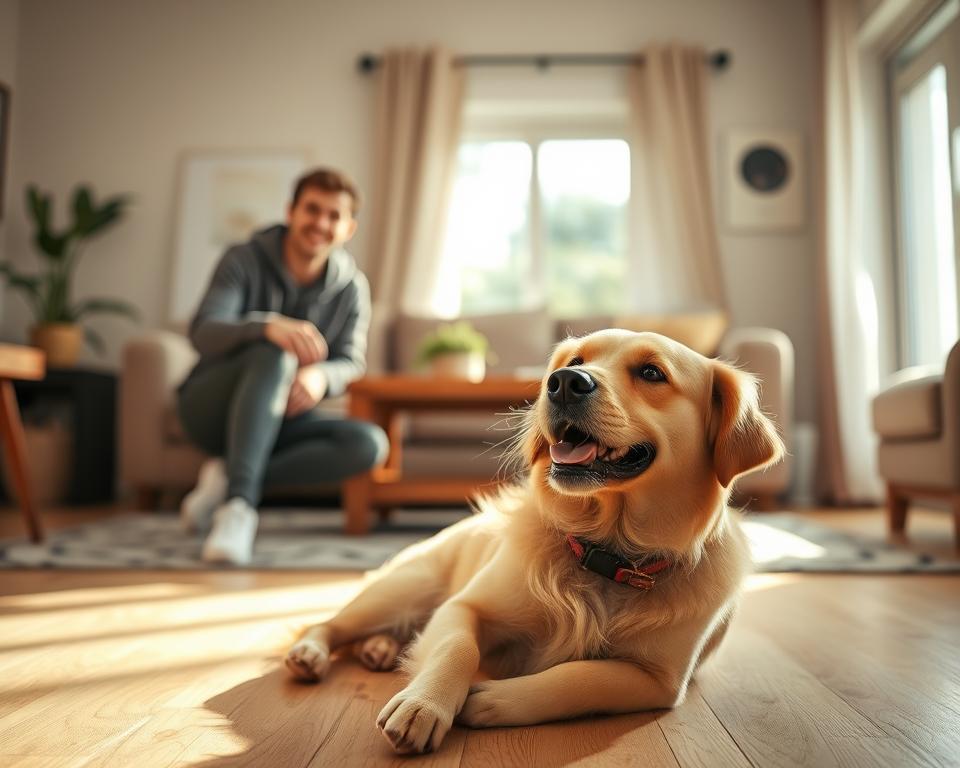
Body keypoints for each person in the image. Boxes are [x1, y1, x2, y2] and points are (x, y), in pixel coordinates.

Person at [176, 168, 388, 565]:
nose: (321, 223)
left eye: (333, 216)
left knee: (370, 444)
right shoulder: (242, 259)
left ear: (349, 228)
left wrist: (321, 376)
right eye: (312, 209)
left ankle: (229, 478)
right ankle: (239, 508)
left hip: (282, 419)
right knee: (275, 352)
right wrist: (266, 327)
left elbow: (351, 363)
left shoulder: (352, 287)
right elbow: (203, 332)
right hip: (209, 407)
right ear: (291, 211)